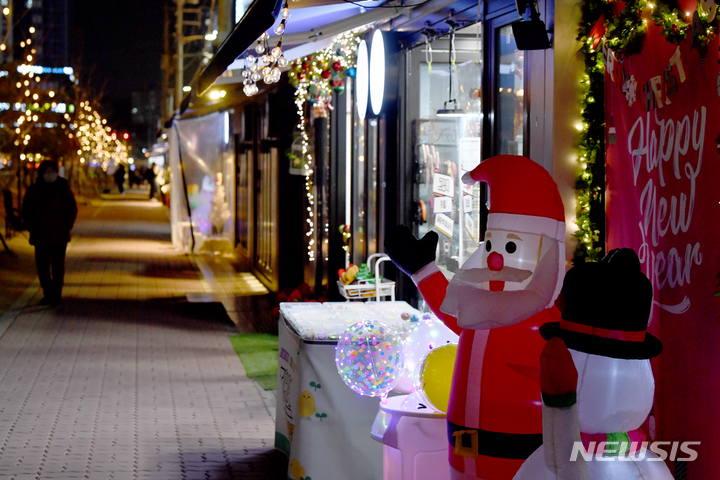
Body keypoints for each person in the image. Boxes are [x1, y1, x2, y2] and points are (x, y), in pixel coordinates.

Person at [385, 155, 566, 480]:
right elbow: (455, 311)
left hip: (525, 439)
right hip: (465, 432)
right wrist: (423, 270)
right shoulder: (480, 303)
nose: (495, 259)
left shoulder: (551, 318)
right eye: (492, 244)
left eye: (510, 248)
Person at [22, 160, 78, 306]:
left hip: (59, 235)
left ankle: (56, 294)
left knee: (58, 267)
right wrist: (32, 227)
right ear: (41, 173)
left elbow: (72, 209)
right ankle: (48, 293)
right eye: (47, 172)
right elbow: (26, 211)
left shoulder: (63, 189)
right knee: (42, 267)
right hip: (40, 236)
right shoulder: (34, 191)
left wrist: (67, 226)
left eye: (52, 171)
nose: (50, 174)